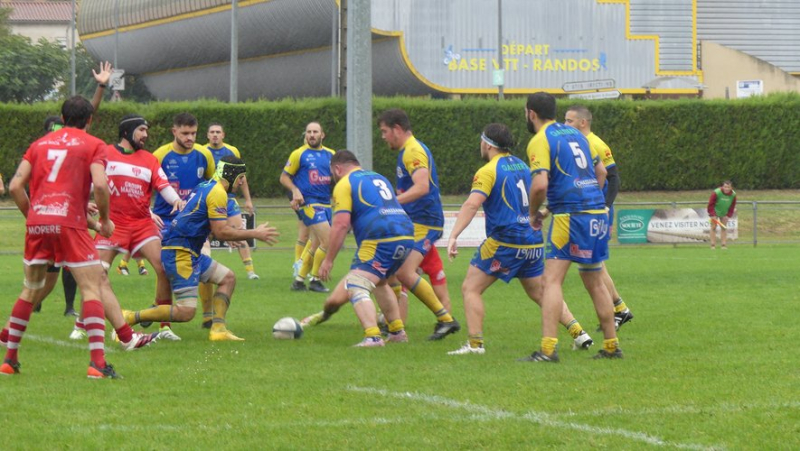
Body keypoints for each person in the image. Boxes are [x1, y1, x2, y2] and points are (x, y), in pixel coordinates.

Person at [3, 96, 129, 378]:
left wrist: (33, 216)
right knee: (91, 287)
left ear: (62, 117)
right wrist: (105, 221)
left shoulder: (39, 145)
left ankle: (9, 360)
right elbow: (99, 183)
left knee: (30, 289)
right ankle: (97, 363)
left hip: (38, 222)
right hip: (70, 224)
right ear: (90, 119)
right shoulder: (94, 144)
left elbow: (14, 187)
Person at [446, 124, 593, 355]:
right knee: (541, 293)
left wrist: (453, 235)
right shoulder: (523, 165)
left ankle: (475, 345)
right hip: (532, 240)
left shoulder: (487, 171)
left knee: (470, 288)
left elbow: (472, 203)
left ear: (487, 144)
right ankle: (579, 334)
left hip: (505, 241)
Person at [122, 156, 279, 341]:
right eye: (241, 177)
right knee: (186, 312)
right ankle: (130, 318)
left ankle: (218, 329)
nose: (242, 182)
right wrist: (255, 233)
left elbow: (204, 223)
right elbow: (220, 231)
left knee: (228, 278)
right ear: (230, 174)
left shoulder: (205, 186)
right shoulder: (218, 192)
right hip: (181, 252)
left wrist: (223, 233)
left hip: (189, 251)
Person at [521, 92, 622, 362]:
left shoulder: (540, 140)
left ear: (531, 113)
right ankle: (611, 346)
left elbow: (540, 184)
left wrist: (533, 214)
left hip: (570, 217)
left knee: (551, 281)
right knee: (595, 279)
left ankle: (547, 350)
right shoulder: (577, 135)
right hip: (596, 212)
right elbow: (601, 174)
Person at [92, 115, 183, 340]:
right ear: (127, 132)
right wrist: (85, 201)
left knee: (164, 268)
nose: (146, 135)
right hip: (113, 224)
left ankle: (164, 326)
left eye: (146, 130)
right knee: (95, 274)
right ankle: (84, 322)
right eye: (142, 130)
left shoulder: (150, 160)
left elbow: (163, 185)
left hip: (142, 225)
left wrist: (176, 201)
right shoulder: (105, 153)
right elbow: (91, 182)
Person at [377, 108, 460, 341]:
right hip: (415, 222)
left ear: (397, 129)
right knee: (394, 270)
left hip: (425, 222)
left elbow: (422, 187)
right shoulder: (408, 150)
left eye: (384, 131)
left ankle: (445, 320)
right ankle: (393, 323)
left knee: (403, 272)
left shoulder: (413, 150)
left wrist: (390, 203)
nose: (383, 137)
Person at [315, 150, 411, 347]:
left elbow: (341, 224)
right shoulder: (378, 177)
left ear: (337, 169)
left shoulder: (344, 183)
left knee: (356, 283)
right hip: (406, 234)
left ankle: (373, 336)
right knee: (381, 282)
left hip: (379, 236)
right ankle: (397, 332)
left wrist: (328, 260)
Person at [565, 105, 634, 331]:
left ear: (583, 123)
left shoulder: (594, 143)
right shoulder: (579, 143)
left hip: (596, 210)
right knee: (594, 264)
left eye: (569, 121)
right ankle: (620, 308)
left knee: (592, 264)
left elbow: (613, 178)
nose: (565, 126)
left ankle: (619, 309)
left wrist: (605, 206)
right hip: (589, 209)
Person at [149, 113, 216, 339]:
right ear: (174, 131)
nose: (190, 137)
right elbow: (144, 188)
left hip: (194, 223)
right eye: (185, 133)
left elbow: (212, 186)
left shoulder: (204, 155)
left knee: (203, 261)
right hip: (164, 221)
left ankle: (208, 317)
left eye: (193, 133)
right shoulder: (160, 155)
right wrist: (147, 213)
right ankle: (164, 324)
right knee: (164, 270)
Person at [280, 122, 335, 293]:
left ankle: (299, 281)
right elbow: (284, 177)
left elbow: (336, 179)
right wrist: (295, 191)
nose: (312, 135)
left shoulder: (331, 155)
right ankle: (315, 279)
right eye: (309, 132)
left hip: (326, 203)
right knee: (328, 240)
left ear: (322, 135)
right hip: (309, 203)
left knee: (315, 243)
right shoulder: (299, 154)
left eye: (315, 132)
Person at [205, 122, 259, 280]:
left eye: (218, 132)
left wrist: (248, 200)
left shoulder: (232, 151)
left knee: (239, 233)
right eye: (212, 132)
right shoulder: (202, 151)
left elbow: (241, 176)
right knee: (204, 235)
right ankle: (201, 266)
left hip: (229, 199)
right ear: (207, 135)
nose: (215, 134)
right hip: (210, 199)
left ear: (223, 135)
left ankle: (251, 272)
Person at [708, 180, 736, 250]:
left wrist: (728, 215)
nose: (726, 189)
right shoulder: (716, 192)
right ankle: (713, 245)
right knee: (713, 227)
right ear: (722, 187)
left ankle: (723, 245)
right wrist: (712, 214)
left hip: (724, 213)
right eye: (725, 187)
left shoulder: (733, 195)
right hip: (715, 212)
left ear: (731, 187)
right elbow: (710, 204)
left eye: (728, 187)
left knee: (724, 227)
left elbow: (732, 205)